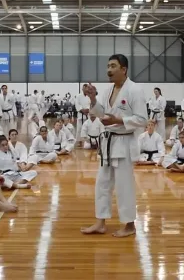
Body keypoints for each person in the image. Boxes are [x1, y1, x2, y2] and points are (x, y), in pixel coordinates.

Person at [80, 54, 148, 238]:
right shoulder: (107, 90)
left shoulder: (135, 90)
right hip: (108, 142)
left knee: (124, 185)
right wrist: (93, 98)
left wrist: (119, 119)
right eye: (108, 66)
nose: (108, 70)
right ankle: (100, 222)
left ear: (124, 69)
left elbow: (143, 120)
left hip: (124, 142)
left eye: (113, 66)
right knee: (102, 184)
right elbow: (102, 114)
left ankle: (129, 224)